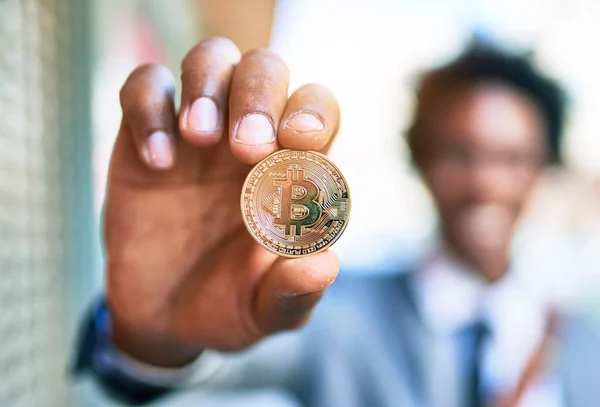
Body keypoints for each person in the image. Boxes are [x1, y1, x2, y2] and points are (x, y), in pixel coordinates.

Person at [73, 37, 600, 407]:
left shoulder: (584, 342)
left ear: (544, 169)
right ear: (419, 160)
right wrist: (152, 336)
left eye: (512, 158)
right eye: (459, 154)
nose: (486, 183)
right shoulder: (339, 314)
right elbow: (203, 363)